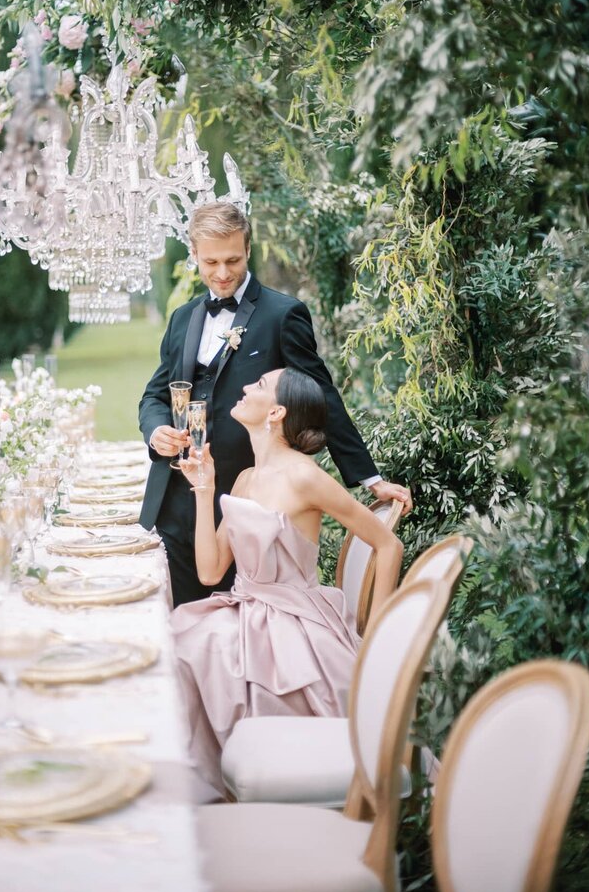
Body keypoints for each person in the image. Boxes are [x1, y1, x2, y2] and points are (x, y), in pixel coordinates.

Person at [138, 200, 412, 607]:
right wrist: (156, 428)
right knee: (178, 623)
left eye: (232, 260)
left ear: (248, 249)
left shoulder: (283, 315)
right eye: (210, 262)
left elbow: (322, 395)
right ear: (194, 254)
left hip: (251, 505)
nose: (222, 273)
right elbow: (155, 395)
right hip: (177, 502)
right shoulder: (183, 319)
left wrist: (369, 479)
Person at [169, 367, 404, 795]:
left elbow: (388, 545)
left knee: (195, 649)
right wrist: (205, 489)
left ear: (276, 412)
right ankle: (199, 793)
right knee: (179, 640)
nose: (244, 387)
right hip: (246, 609)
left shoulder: (305, 475)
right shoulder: (244, 479)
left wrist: (378, 638)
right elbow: (209, 572)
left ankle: (225, 788)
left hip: (293, 625)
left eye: (258, 386)